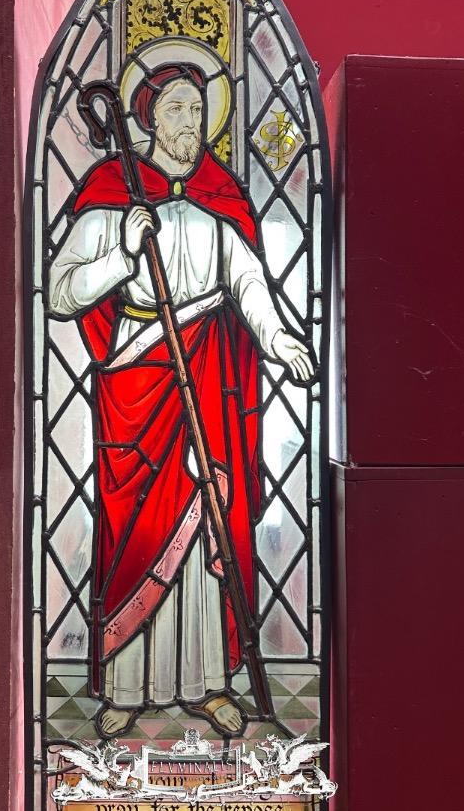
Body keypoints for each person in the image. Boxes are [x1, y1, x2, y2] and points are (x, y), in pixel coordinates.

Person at [49, 63, 312, 739]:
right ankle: (126, 688)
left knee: (203, 528)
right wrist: (121, 254)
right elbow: (60, 291)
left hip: (204, 386)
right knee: (135, 531)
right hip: (137, 389)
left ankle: (207, 683)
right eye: (176, 110)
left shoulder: (218, 205)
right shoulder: (112, 200)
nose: (190, 124)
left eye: (197, 111)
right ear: (147, 121)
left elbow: (249, 284)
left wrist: (279, 339)